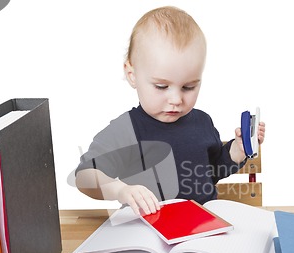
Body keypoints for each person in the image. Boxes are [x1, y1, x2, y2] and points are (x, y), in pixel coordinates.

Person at [75, 6, 265, 215]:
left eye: (188, 87)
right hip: (146, 231)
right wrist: (120, 190)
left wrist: (237, 150)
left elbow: (213, 171)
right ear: (132, 75)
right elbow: (84, 176)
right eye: (161, 87)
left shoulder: (202, 122)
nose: (176, 100)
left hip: (202, 226)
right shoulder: (125, 129)